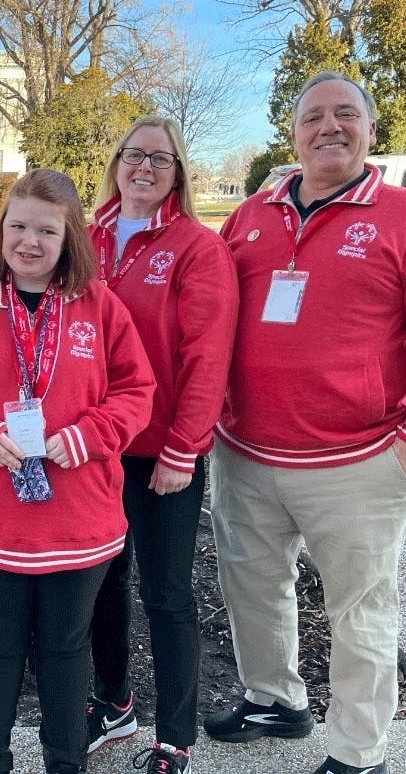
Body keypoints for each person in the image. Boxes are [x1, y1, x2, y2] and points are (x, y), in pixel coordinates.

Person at [204, 72, 406, 774]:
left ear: (370, 130)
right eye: (313, 117)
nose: (329, 127)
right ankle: (274, 700)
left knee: (360, 611)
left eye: (345, 114)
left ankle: (359, 749)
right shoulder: (252, 216)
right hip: (246, 452)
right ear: (293, 135)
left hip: (357, 461)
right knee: (252, 588)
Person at [0, 168, 156, 774]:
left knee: (65, 648)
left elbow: (137, 390)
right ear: (2, 228)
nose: (29, 242)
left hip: (79, 517)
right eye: (18, 226)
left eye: (46, 231)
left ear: (69, 236)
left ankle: (65, 761)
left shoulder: (100, 307)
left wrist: (88, 436)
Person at [84, 117, 238, 774]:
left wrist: (185, 447)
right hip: (93, 447)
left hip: (161, 453)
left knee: (167, 593)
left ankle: (175, 736)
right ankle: (113, 702)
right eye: (134, 154)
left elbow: (208, 357)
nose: (144, 167)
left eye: (161, 158)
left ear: (178, 174)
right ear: (116, 163)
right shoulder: (83, 238)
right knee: (101, 581)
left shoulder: (196, 248)